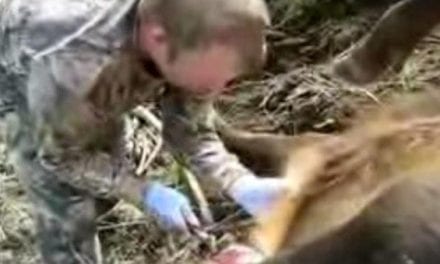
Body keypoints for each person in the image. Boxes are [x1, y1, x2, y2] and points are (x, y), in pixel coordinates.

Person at [0, 0, 288, 263]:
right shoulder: (71, 61)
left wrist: (239, 182)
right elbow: (59, 158)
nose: (219, 88)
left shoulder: (196, 36)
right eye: (216, 75)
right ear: (157, 39)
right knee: (64, 201)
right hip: (22, 76)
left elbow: (191, 132)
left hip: (102, 79)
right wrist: (145, 192)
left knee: (105, 176)